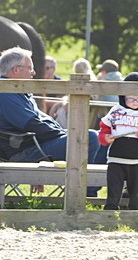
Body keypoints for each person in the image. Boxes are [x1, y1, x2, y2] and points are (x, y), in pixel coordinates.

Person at [0, 47, 106, 176]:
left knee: (100, 137)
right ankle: (85, 190)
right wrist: (63, 134)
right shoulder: (6, 94)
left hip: (34, 145)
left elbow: (39, 121)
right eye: (30, 68)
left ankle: (88, 186)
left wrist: (64, 133)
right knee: (89, 137)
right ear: (16, 69)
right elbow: (33, 124)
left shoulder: (15, 90)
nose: (33, 73)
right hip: (24, 152)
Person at [97, 73, 138, 211]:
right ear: (122, 96)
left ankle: (135, 217)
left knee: (136, 194)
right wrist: (104, 138)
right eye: (130, 98)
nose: (135, 101)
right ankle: (109, 215)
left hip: (137, 161)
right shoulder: (116, 110)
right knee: (113, 191)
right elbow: (103, 128)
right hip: (115, 160)